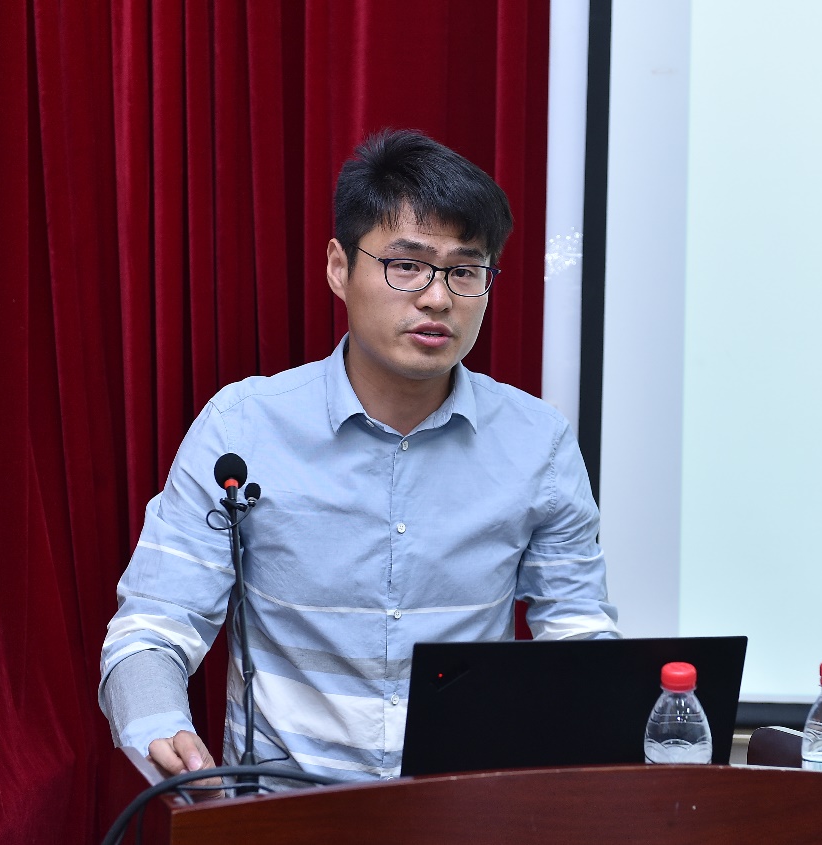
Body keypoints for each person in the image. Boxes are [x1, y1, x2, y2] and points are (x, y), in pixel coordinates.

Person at [99, 129, 620, 786]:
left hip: (463, 811)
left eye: (464, 271)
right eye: (407, 265)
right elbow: (155, 624)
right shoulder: (243, 428)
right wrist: (159, 727)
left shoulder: (536, 440)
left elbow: (576, 631)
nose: (437, 298)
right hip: (284, 811)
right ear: (339, 268)